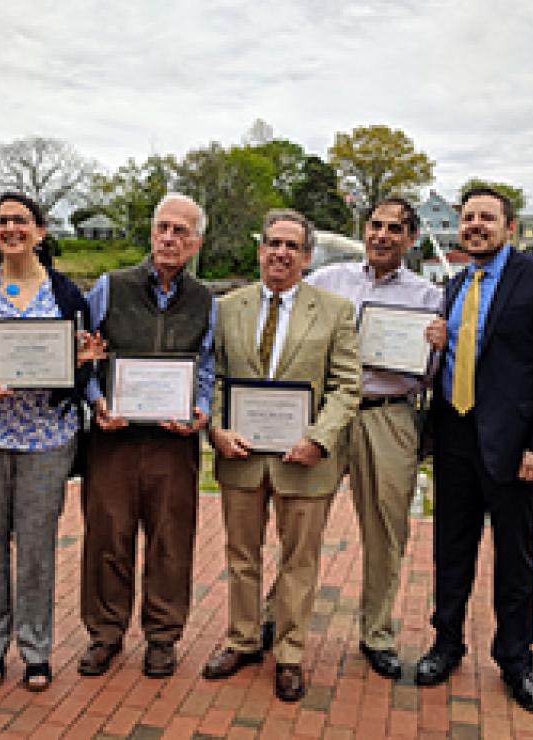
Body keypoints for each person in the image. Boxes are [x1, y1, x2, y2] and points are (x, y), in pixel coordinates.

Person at [259, 198, 445, 679]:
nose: (382, 235)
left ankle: (377, 633)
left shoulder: (428, 297)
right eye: (376, 226)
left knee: (386, 530)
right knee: (303, 523)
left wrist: (438, 346)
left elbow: (432, 374)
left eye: (394, 229)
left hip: (388, 415)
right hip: (324, 414)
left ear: (410, 238)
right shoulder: (327, 280)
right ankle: (274, 616)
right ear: (365, 230)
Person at [0, 192, 97, 692]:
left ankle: (35, 649)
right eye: (2, 221)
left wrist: (83, 361)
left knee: (36, 548)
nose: (11, 229)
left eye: (21, 220)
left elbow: (74, 373)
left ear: (41, 232)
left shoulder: (67, 294)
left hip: (46, 438)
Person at [202, 208, 360, 702]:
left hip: (305, 458)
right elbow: (214, 378)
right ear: (260, 249)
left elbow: (346, 386)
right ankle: (243, 638)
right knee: (241, 556)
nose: (281, 253)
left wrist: (319, 438)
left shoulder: (334, 310)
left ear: (307, 257)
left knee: (299, 561)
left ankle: (290, 652)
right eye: (273, 243)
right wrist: (216, 429)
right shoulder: (227, 307)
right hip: (241, 453)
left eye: (292, 246)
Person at [415, 187, 533, 714]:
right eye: (467, 218)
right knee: (451, 550)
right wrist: (437, 343)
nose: (474, 225)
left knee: (516, 559)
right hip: (454, 437)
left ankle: (517, 660)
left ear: (509, 227)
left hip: (515, 448)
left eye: (486, 218)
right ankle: (446, 643)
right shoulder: (454, 284)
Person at [78, 193, 216, 679]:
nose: (170, 238)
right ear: (151, 232)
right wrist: (96, 400)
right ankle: (104, 633)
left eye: (181, 231)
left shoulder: (205, 300)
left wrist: (201, 409)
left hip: (174, 441)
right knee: (107, 537)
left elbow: (207, 365)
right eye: (163, 228)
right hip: (113, 437)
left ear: (196, 242)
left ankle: (162, 637)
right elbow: (85, 354)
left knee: (170, 540)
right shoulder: (109, 287)